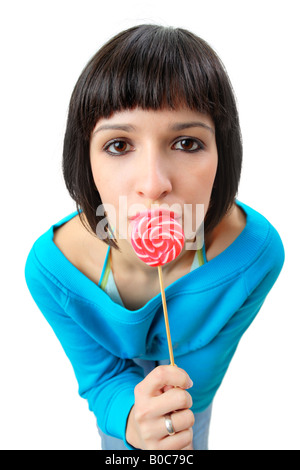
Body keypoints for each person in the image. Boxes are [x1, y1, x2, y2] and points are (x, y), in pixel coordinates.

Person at [25, 24, 284, 450]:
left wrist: (169, 428)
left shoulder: (254, 255)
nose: (154, 183)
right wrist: (129, 422)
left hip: (189, 399)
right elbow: (102, 380)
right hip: (120, 413)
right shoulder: (54, 270)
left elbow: (196, 389)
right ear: (84, 158)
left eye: (186, 142)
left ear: (223, 154)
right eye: (119, 145)